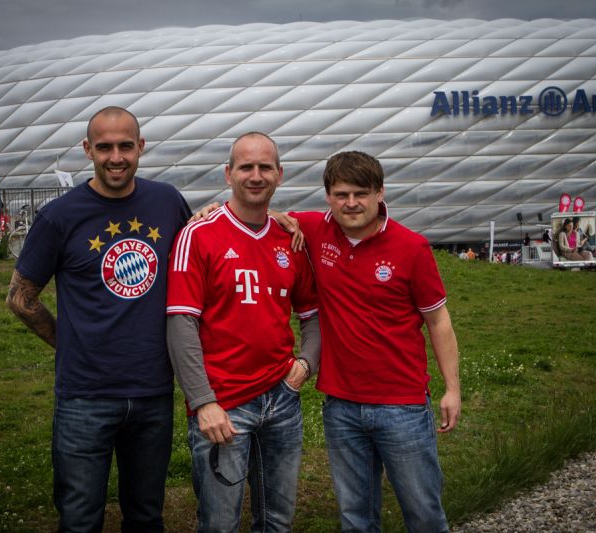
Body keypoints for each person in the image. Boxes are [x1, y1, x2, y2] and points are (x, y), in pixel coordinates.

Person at [6, 106, 191, 532]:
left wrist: (276, 218)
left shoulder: (166, 202)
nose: (116, 157)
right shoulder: (60, 216)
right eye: (104, 147)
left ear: (141, 147)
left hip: (152, 390)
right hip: (84, 395)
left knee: (146, 516)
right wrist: (67, 342)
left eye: (126, 146)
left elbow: (206, 243)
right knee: (79, 518)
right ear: (87, 149)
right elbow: (20, 298)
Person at [290, 151, 460, 532]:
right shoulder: (318, 230)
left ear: (380, 192)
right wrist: (210, 210)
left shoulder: (411, 247)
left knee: (423, 513)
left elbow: (438, 320)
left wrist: (452, 389)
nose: (351, 203)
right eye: (341, 194)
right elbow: (258, 216)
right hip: (342, 405)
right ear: (328, 197)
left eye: (361, 193)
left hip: (401, 405)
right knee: (355, 517)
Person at [166, 132, 320, 532]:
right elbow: (181, 323)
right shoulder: (198, 234)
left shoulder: (290, 237)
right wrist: (203, 402)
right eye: (246, 167)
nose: (256, 176)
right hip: (224, 404)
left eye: (265, 167)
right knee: (219, 523)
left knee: (277, 521)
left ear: (280, 175)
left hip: (282, 399)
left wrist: (305, 365)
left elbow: (312, 314)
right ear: (228, 173)